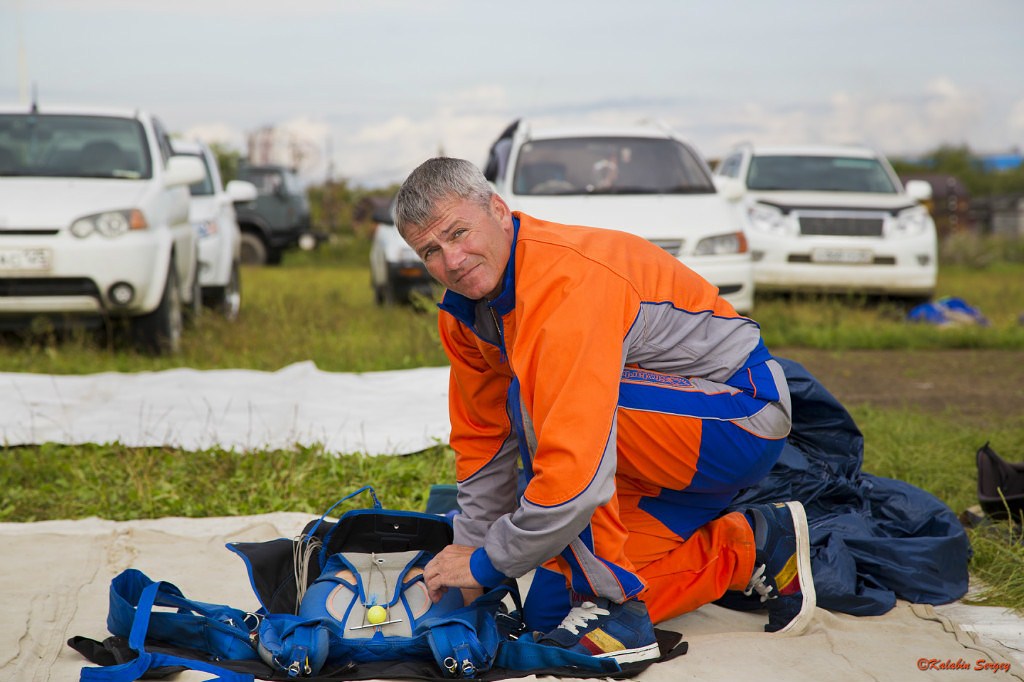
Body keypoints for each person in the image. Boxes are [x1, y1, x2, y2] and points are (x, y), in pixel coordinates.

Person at [393, 157, 815, 665]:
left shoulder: (563, 282)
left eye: (459, 232)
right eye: (431, 251)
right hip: (646, 450)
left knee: (542, 407)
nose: (453, 259)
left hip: (739, 416)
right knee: (553, 618)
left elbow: (574, 468)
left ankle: (616, 609)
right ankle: (752, 546)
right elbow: (484, 444)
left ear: (499, 211)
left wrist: (489, 563)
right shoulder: (463, 317)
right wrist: (467, 581)